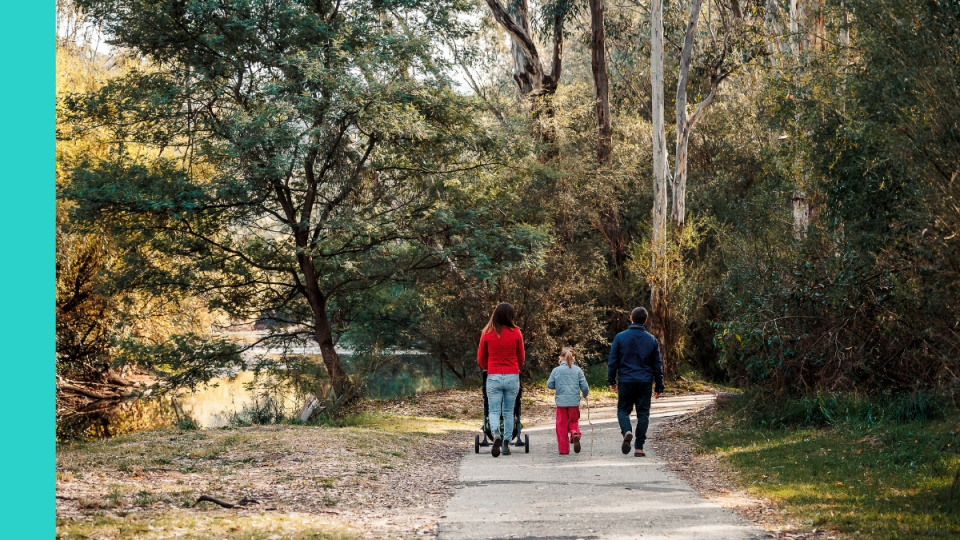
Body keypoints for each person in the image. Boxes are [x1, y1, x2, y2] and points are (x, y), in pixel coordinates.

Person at [607, 307, 664, 457]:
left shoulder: (620, 337)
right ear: (646, 321)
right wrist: (659, 385)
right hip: (645, 382)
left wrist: (612, 380)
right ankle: (639, 447)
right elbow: (657, 365)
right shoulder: (651, 340)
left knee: (623, 410)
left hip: (626, 381)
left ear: (631, 318)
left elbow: (613, 361)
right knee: (643, 414)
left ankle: (627, 430)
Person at [477, 302, 525, 457]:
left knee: (494, 410)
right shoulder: (516, 332)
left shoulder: (487, 332)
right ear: (510, 315)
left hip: (494, 376)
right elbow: (521, 359)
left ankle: (496, 433)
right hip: (512, 376)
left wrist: (489, 367)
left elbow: (481, 359)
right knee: (509, 411)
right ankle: (506, 443)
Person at [546, 347, 590, 455]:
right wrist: (585, 395)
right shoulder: (578, 370)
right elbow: (584, 386)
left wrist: (558, 386)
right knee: (573, 421)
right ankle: (575, 433)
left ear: (560, 358)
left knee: (561, 426)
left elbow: (549, 384)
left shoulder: (556, 370)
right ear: (573, 358)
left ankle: (564, 450)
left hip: (561, 403)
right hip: (574, 402)